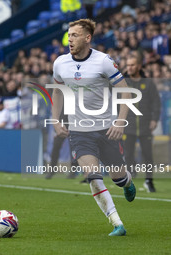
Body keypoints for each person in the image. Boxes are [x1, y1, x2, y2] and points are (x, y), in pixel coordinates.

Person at [52, 19, 136, 236]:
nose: (70, 39)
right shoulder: (60, 63)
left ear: (87, 38)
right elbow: (58, 91)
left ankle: (127, 182)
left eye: (75, 35)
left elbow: (126, 92)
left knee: (118, 178)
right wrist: (55, 119)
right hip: (79, 131)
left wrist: (120, 121)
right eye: (69, 35)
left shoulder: (103, 62)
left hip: (107, 129)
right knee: (93, 176)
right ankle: (117, 223)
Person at [124, 54, 161, 192]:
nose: (129, 68)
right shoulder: (123, 82)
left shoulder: (149, 83)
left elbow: (156, 103)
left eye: (132, 65)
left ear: (139, 66)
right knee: (128, 154)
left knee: (147, 154)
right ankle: (129, 182)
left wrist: (154, 119)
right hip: (128, 125)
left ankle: (149, 180)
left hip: (145, 125)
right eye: (128, 65)